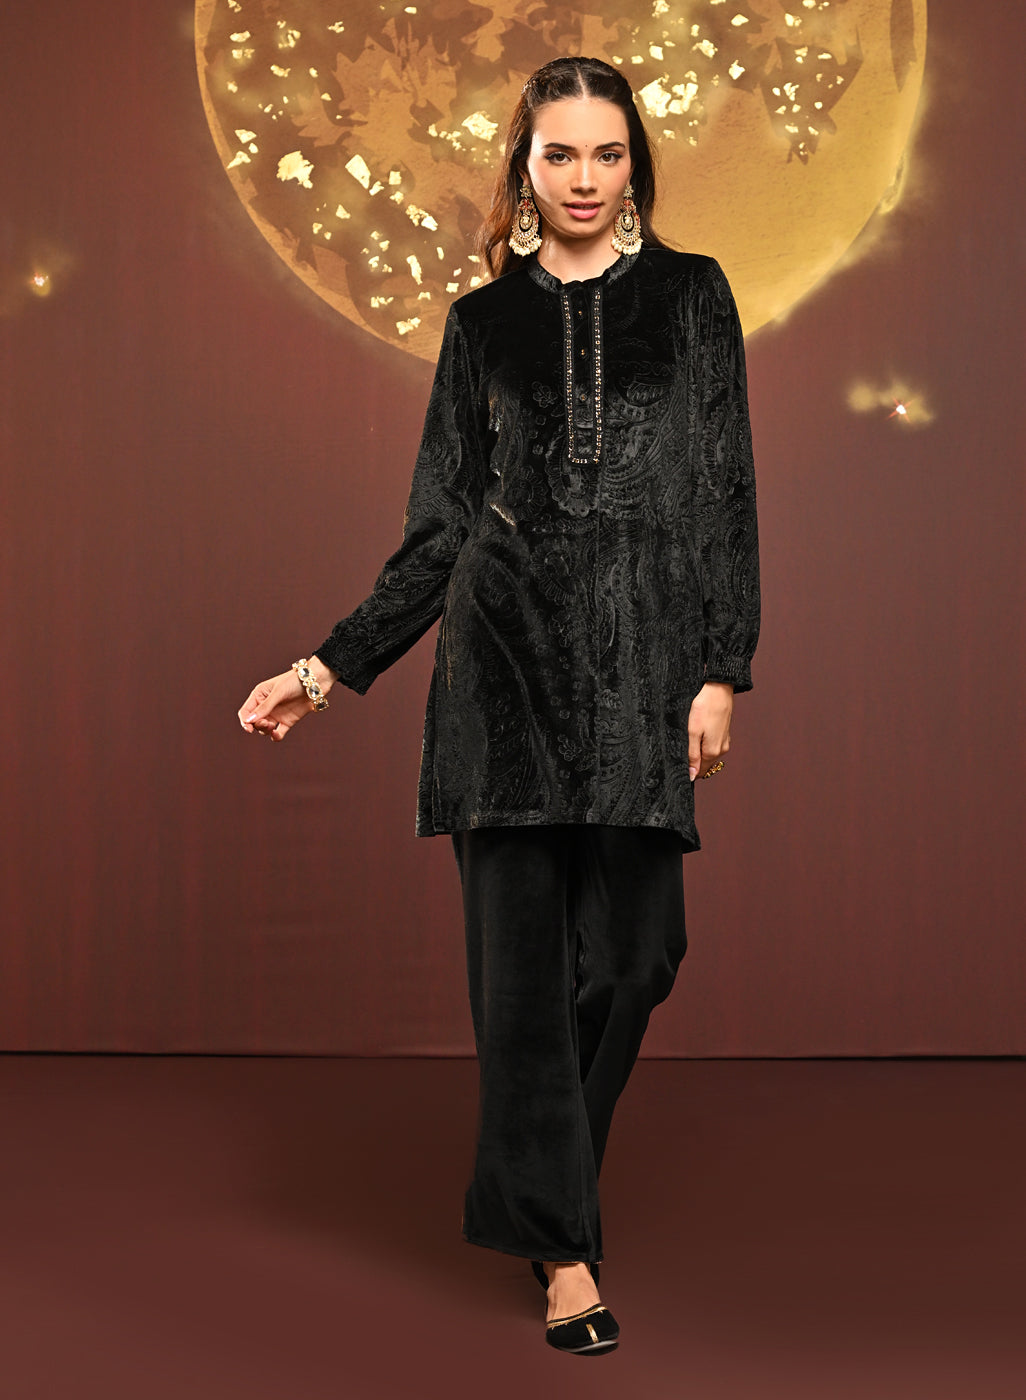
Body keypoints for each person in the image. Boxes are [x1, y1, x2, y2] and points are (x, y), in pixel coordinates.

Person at [238, 55, 760, 1356]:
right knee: (520, 987)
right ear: (523, 167)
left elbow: (722, 491)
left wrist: (720, 667)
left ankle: (536, 1184)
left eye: (605, 154)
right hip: (501, 676)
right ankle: (564, 1253)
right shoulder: (481, 325)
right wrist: (324, 670)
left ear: (634, 162)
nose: (583, 179)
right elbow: (440, 526)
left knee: (636, 960)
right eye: (557, 154)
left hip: (638, 672)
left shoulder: (693, 297)